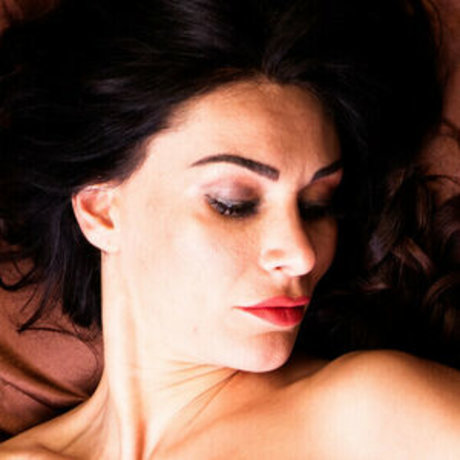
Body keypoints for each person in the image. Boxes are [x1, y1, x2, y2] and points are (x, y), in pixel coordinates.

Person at [0, 0, 459, 457]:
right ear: (101, 211)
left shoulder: (372, 417)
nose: (302, 253)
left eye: (316, 206)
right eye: (234, 204)